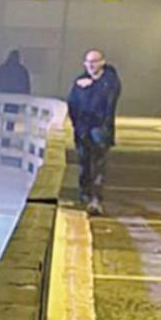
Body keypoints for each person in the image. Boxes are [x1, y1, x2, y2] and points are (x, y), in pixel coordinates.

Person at [67, 49, 121, 216]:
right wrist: (77, 125)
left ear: (102, 63)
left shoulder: (110, 81)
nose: (91, 65)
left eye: (94, 61)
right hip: (83, 129)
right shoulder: (80, 81)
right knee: (84, 163)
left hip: (100, 129)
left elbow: (110, 101)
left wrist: (92, 86)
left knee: (98, 164)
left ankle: (95, 197)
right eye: (88, 62)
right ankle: (84, 194)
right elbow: (72, 104)